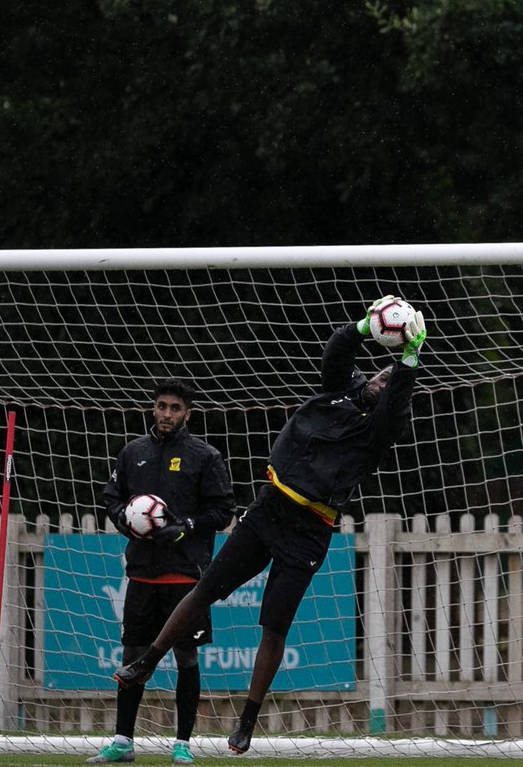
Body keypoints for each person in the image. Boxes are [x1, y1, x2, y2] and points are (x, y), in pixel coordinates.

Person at [113, 298, 426, 755]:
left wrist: (409, 358)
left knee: (274, 627)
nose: (383, 377)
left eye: (389, 377)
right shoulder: (339, 390)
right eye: (380, 372)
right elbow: (337, 351)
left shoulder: (380, 429)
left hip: (310, 527)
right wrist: (363, 325)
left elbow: (398, 397)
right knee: (205, 590)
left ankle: (247, 720)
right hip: (268, 509)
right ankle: (146, 662)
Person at [87, 378, 236, 765]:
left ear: (187, 413)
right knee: (132, 654)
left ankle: (182, 744)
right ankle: (123, 741)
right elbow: (112, 499)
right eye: (161, 406)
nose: (166, 414)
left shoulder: (204, 456)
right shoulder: (133, 452)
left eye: (174, 408)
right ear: (153, 409)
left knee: (185, 657)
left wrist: (183, 526)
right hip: (140, 573)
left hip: (185, 576)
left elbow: (222, 512)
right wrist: (127, 521)